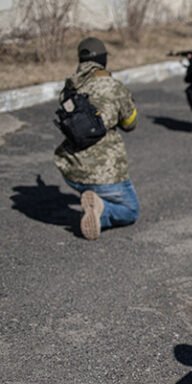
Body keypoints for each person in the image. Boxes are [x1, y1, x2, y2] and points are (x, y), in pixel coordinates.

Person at [53, 37, 139, 241]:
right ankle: (102, 210)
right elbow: (130, 124)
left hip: (72, 170)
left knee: (91, 184)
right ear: (103, 59)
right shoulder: (114, 86)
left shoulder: (70, 87)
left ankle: (93, 197)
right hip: (105, 173)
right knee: (130, 210)